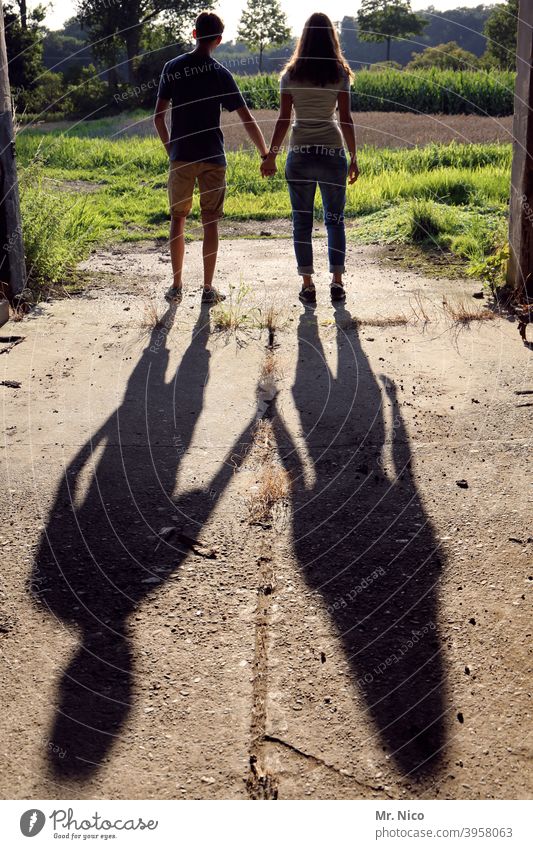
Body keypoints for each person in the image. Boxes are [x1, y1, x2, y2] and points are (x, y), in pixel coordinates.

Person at [154, 11, 269, 304]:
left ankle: (177, 286)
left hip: (181, 157)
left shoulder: (172, 67)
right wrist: (265, 153)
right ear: (219, 39)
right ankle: (207, 289)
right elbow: (246, 118)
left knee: (178, 220)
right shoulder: (221, 73)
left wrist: (172, 151)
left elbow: (158, 117)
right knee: (210, 223)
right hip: (213, 158)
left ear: (194, 34)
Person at [261, 12, 359, 305]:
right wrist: (353, 157)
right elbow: (346, 119)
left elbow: (282, 120)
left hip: (300, 154)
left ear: (303, 39)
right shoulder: (339, 74)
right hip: (332, 154)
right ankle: (337, 283)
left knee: (301, 222)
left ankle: (307, 286)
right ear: (331, 38)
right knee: (335, 220)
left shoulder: (289, 75)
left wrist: (271, 157)